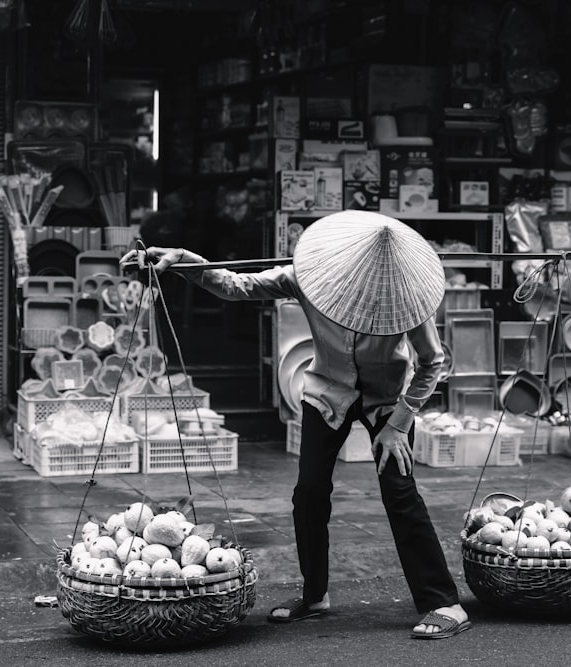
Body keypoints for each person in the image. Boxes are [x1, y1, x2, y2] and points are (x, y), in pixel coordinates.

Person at [120, 210, 471, 640]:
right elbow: (235, 285)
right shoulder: (310, 277)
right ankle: (315, 594)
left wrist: (400, 422)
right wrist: (183, 259)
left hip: (387, 403)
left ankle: (443, 602)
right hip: (326, 393)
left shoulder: (403, 296)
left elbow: (431, 362)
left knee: (400, 494)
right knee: (308, 494)